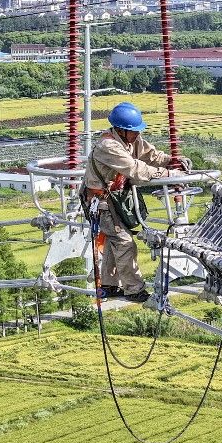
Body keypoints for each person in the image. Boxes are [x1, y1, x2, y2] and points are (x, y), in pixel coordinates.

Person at [82, 102, 191, 303]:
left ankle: (109, 284)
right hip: (101, 202)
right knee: (124, 242)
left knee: (114, 240)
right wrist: (169, 174)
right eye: (133, 132)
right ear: (121, 130)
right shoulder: (108, 146)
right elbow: (136, 169)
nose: (137, 135)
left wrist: (171, 160)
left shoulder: (131, 140)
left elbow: (150, 155)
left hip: (113, 199)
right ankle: (134, 289)